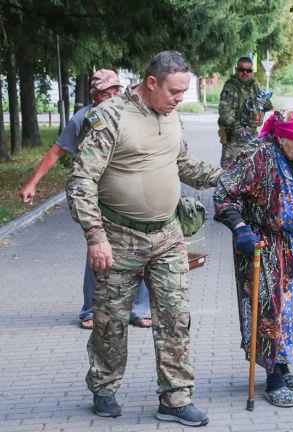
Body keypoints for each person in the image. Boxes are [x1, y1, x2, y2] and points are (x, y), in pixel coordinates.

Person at [66, 51, 222, 426]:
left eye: (184, 91)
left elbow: (184, 164)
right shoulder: (110, 116)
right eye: (174, 90)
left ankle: (175, 398)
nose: (179, 98)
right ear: (151, 82)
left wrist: (230, 178)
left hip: (167, 236)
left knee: (175, 318)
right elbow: (81, 181)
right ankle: (104, 387)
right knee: (110, 322)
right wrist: (94, 236)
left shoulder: (172, 117)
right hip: (118, 238)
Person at [213, 107, 293, 408]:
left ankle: (284, 366)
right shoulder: (256, 155)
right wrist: (240, 228)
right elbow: (223, 194)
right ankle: (273, 378)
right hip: (264, 242)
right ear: (281, 137)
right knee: (269, 309)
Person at [20, 69, 152, 330]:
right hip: (97, 197)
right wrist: (33, 183)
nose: (113, 95)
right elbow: (57, 152)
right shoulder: (84, 118)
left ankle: (140, 308)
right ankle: (90, 310)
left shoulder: (131, 113)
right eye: (106, 92)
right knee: (98, 251)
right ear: (94, 96)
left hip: (132, 194)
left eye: (116, 90)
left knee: (142, 248)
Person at [217, 56, 273, 169]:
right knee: (230, 175)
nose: (245, 73)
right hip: (234, 141)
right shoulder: (230, 86)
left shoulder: (254, 87)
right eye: (242, 70)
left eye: (248, 70)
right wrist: (234, 124)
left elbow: (265, 106)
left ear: (252, 72)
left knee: (251, 175)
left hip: (251, 139)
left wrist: (267, 104)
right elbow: (223, 110)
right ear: (237, 70)